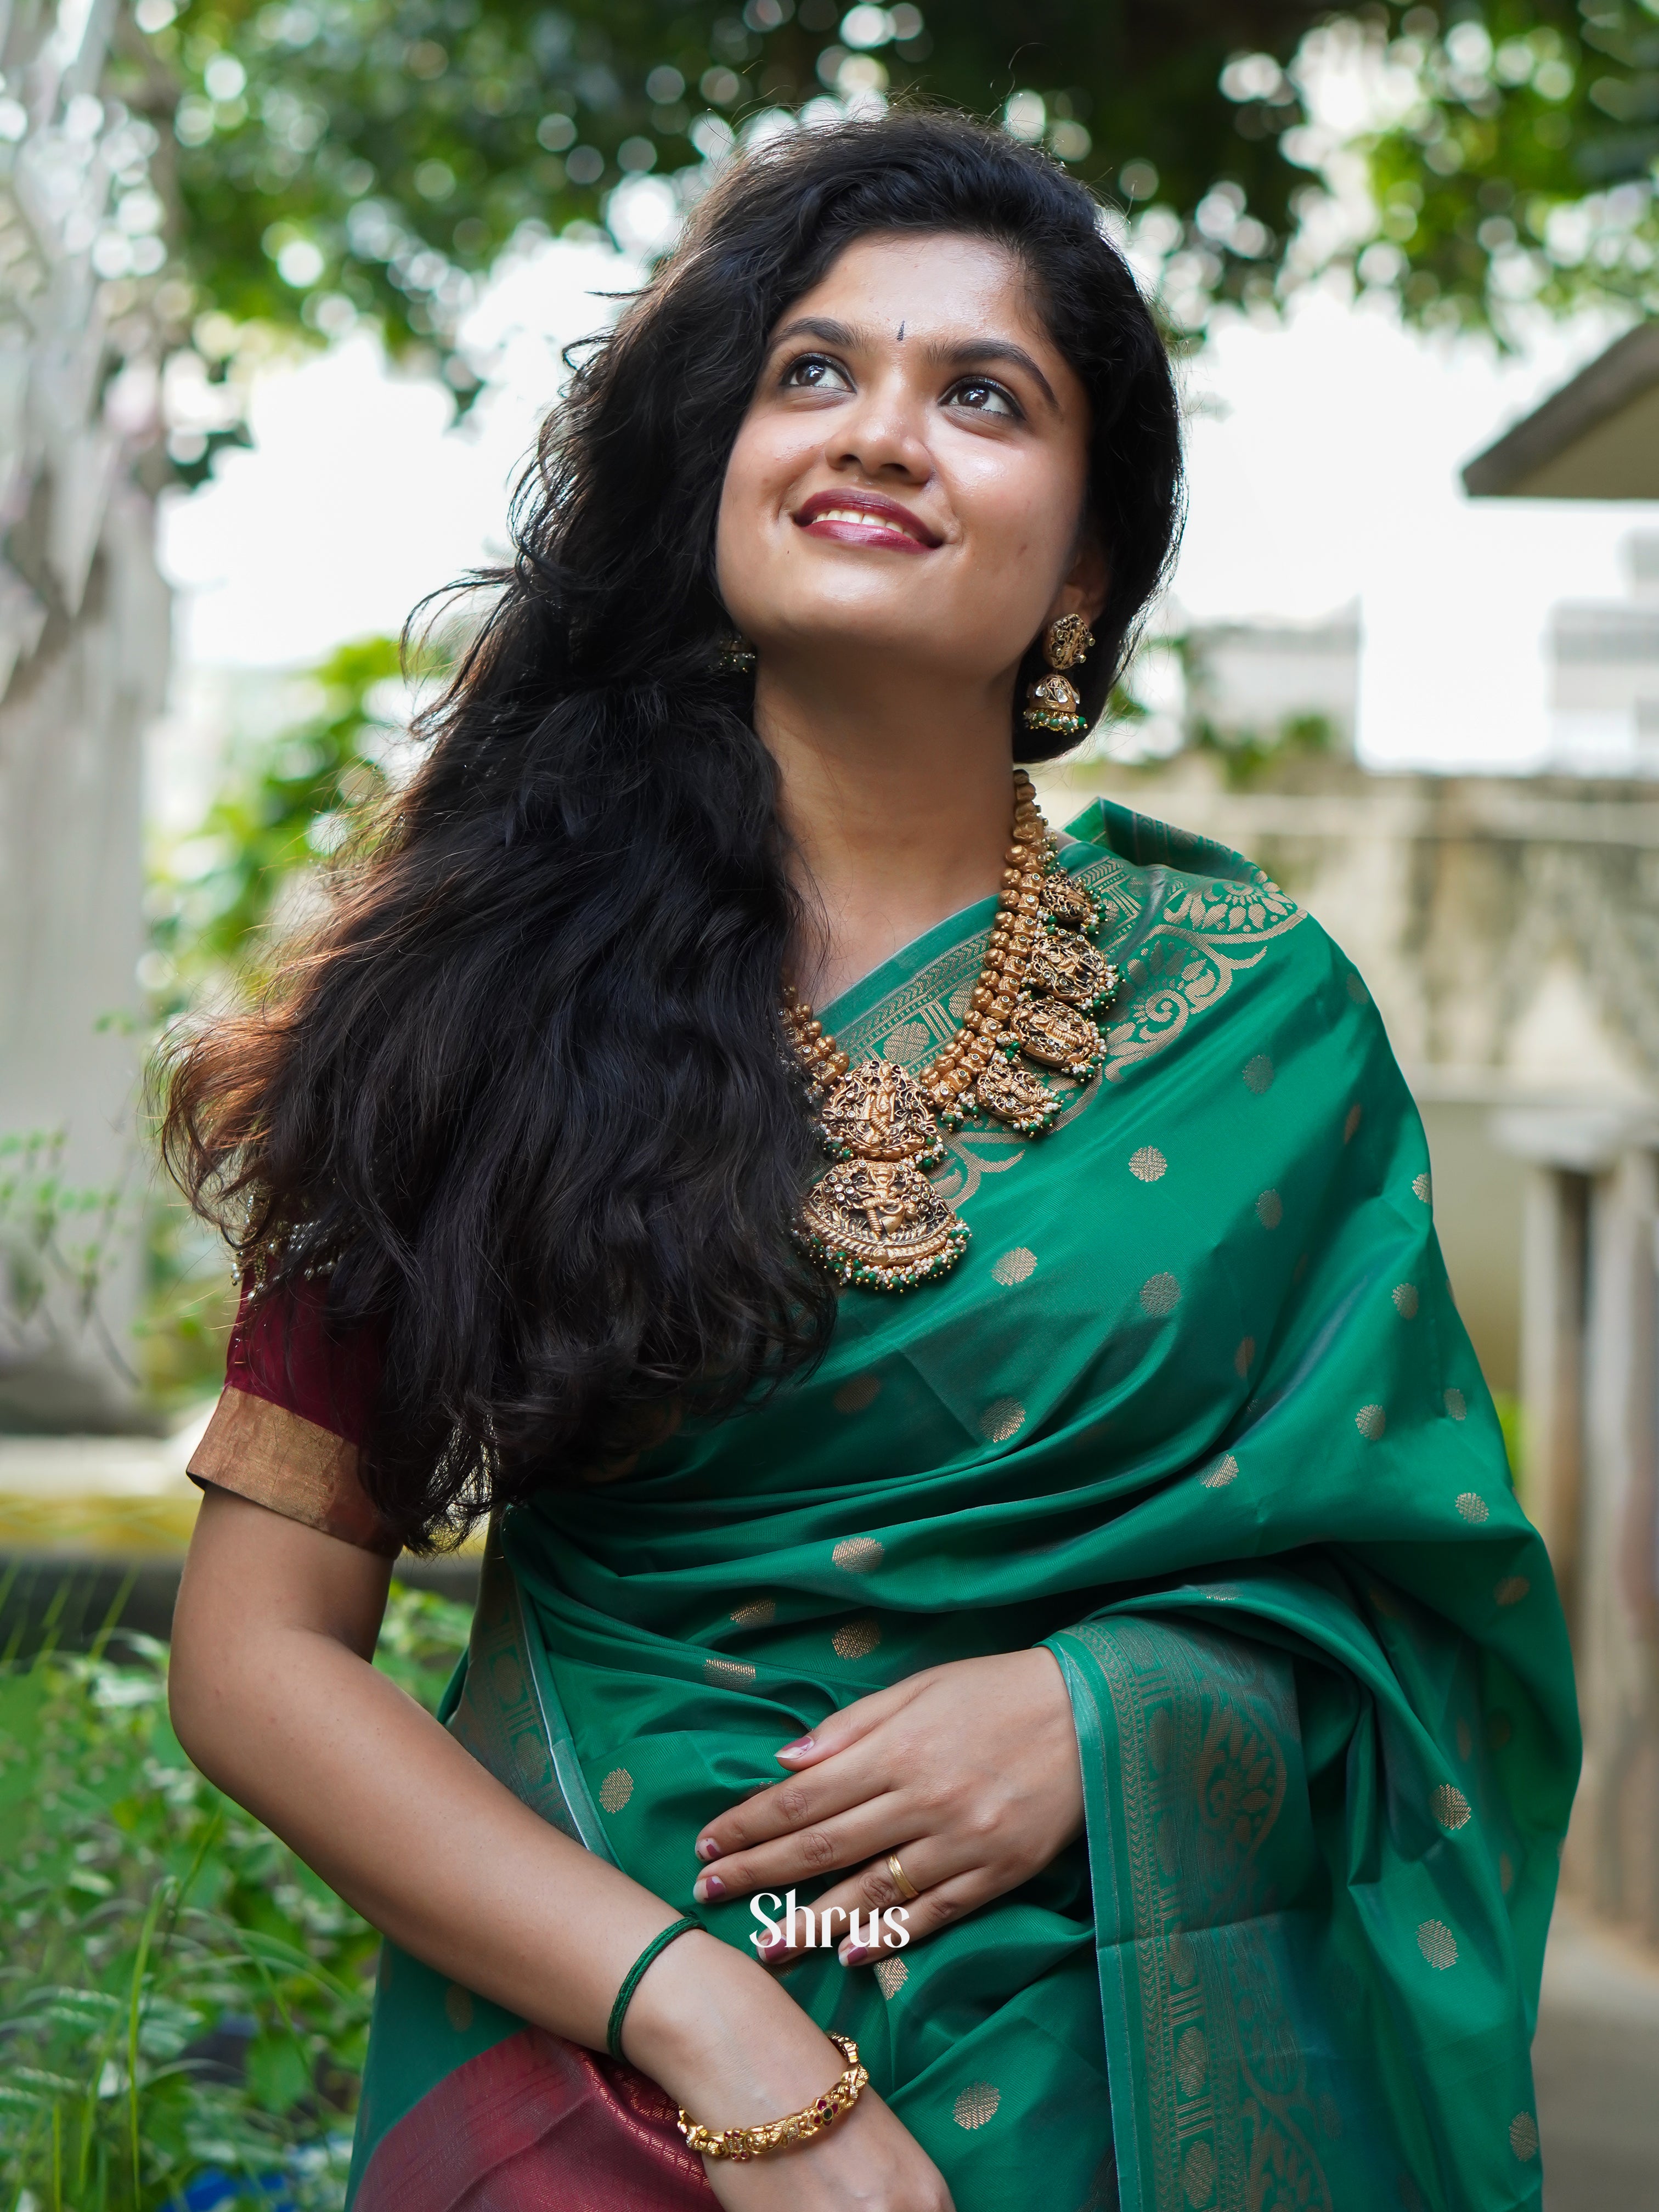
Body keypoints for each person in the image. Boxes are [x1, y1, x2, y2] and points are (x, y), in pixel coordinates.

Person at [161, 111, 1577, 2212]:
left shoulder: (1255, 1024)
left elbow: (1420, 1616)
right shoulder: (467, 1002)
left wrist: (1110, 1707)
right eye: (813, 371)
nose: (882, 431)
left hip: (1110, 2081)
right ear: (719, 465)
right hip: (592, 2065)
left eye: (983, 396)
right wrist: (712, 2025)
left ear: (1086, 568)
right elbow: (256, 1654)